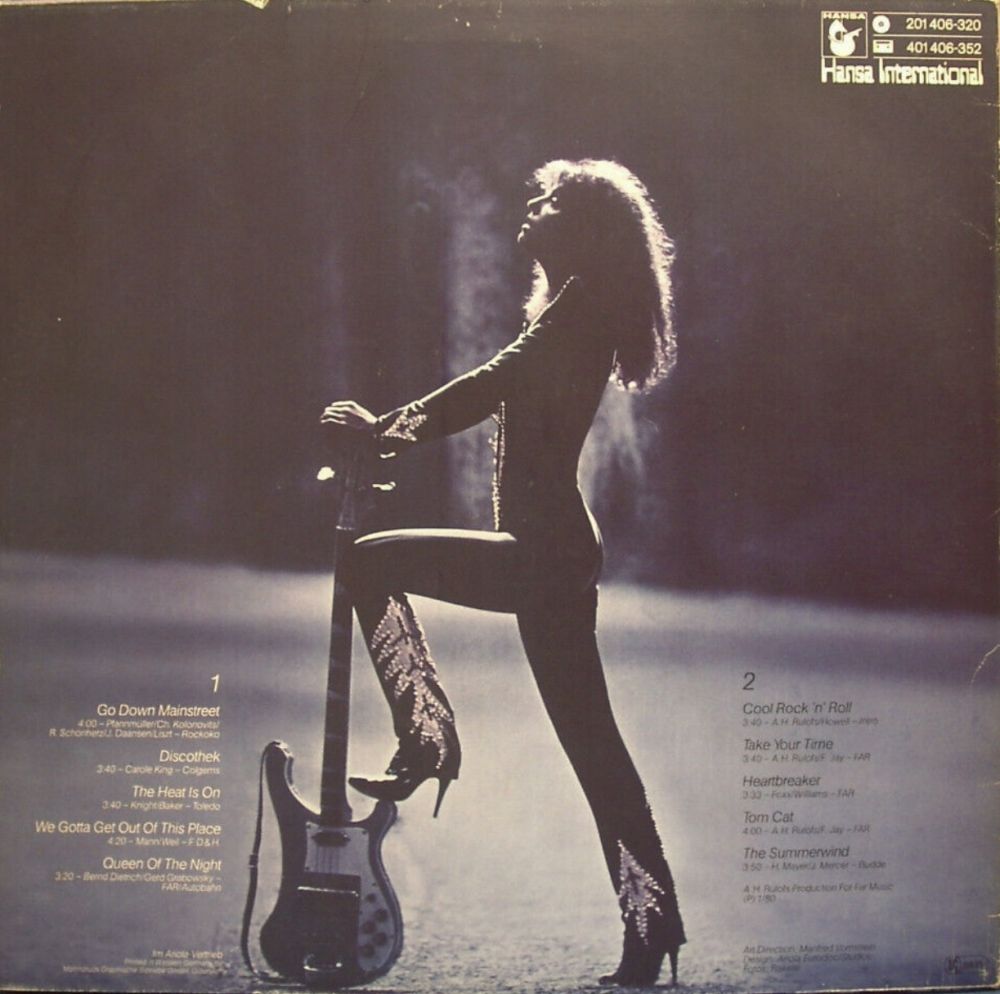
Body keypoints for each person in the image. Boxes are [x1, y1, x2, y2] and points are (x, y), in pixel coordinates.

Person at [321, 158, 685, 987]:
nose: (533, 206)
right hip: (554, 552)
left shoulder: (578, 311)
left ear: (583, 229)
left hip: (544, 554)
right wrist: (389, 438)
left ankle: (426, 734)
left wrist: (382, 433)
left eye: (550, 201)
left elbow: (488, 385)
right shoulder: (570, 308)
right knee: (596, 750)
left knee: (370, 563)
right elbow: (495, 387)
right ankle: (652, 923)